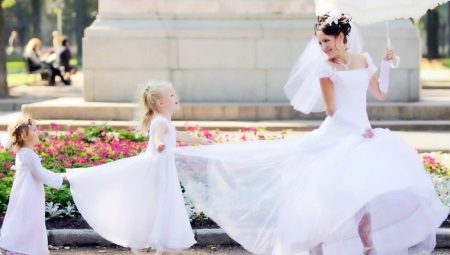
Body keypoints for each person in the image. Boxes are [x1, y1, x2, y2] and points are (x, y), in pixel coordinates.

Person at [174, 11, 448, 255]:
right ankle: (315, 246)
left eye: (327, 41)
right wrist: (357, 130)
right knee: (321, 194)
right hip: (339, 134)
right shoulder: (324, 68)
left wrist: (386, 64)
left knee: (363, 191)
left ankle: (368, 247)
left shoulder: (363, 60)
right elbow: (332, 111)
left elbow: (381, 93)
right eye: (319, 43)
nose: (323, 47)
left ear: (341, 36)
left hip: (362, 134)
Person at [67, 80, 211, 254]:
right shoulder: (159, 121)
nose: (176, 97)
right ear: (161, 103)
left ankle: (159, 241)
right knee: (158, 203)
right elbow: (158, 136)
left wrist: (200, 140)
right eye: (172, 95)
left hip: (164, 169)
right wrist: (159, 144)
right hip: (157, 168)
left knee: (161, 203)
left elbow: (179, 135)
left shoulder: (165, 121)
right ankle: (152, 240)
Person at [0, 117, 69, 255]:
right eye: (34, 129)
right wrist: (62, 179)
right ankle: (19, 248)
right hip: (28, 196)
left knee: (25, 220)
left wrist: (59, 177)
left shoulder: (24, 153)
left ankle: (19, 247)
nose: (37, 132)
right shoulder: (28, 154)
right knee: (28, 221)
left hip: (27, 194)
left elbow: (38, 172)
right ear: (24, 136)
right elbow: (40, 174)